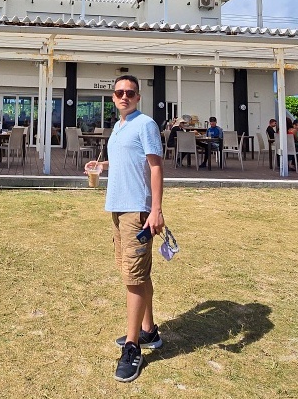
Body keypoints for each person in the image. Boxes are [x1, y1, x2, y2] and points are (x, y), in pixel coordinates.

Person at [84, 74, 165, 383]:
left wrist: (155, 210)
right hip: (117, 208)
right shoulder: (119, 127)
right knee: (136, 272)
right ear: (113, 96)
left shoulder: (145, 124)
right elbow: (125, 162)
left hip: (137, 210)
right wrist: (101, 166)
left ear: (138, 96)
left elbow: (156, 167)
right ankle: (149, 332)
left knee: (133, 277)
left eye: (130, 92)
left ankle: (132, 347)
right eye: (119, 92)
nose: (124, 96)